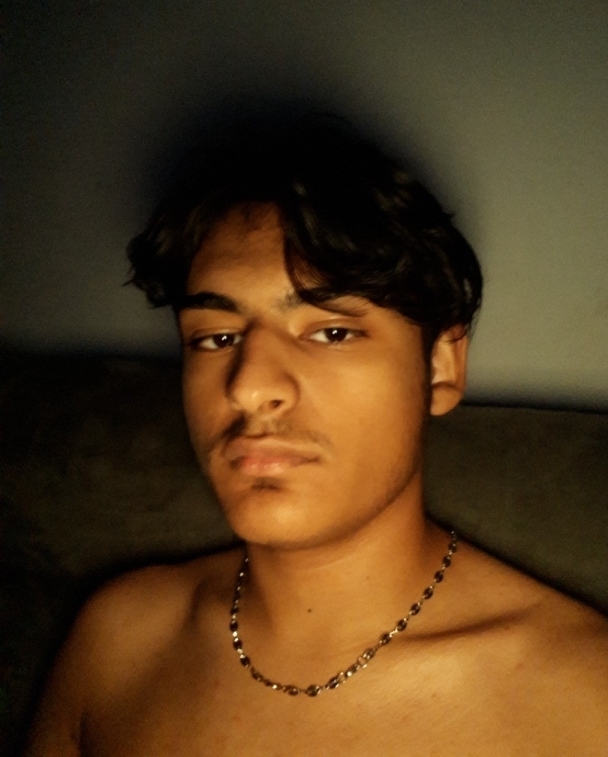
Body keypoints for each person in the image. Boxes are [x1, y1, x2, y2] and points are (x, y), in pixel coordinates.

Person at [26, 119, 608, 756]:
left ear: (440, 367)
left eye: (331, 332)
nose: (249, 387)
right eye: (216, 337)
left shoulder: (583, 700)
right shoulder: (118, 637)